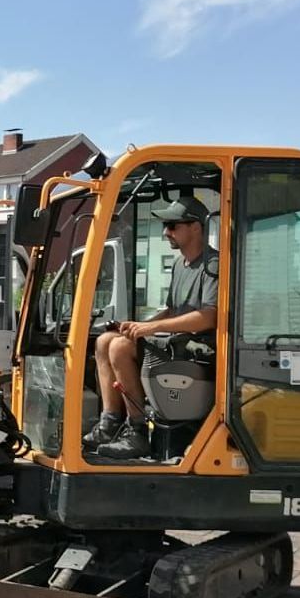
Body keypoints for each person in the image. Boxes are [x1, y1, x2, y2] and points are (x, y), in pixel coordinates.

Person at [83, 195, 218, 459]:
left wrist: (150, 330)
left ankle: (137, 432)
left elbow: (208, 317)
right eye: (165, 226)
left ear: (196, 227)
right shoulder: (180, 264)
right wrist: (138, 326)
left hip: (198, 351)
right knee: (104, 341)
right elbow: (172, 309)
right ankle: (110, 422)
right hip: (176, 344)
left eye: (173, 225)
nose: (166, 232)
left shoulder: (212, 264)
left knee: (121, 347)